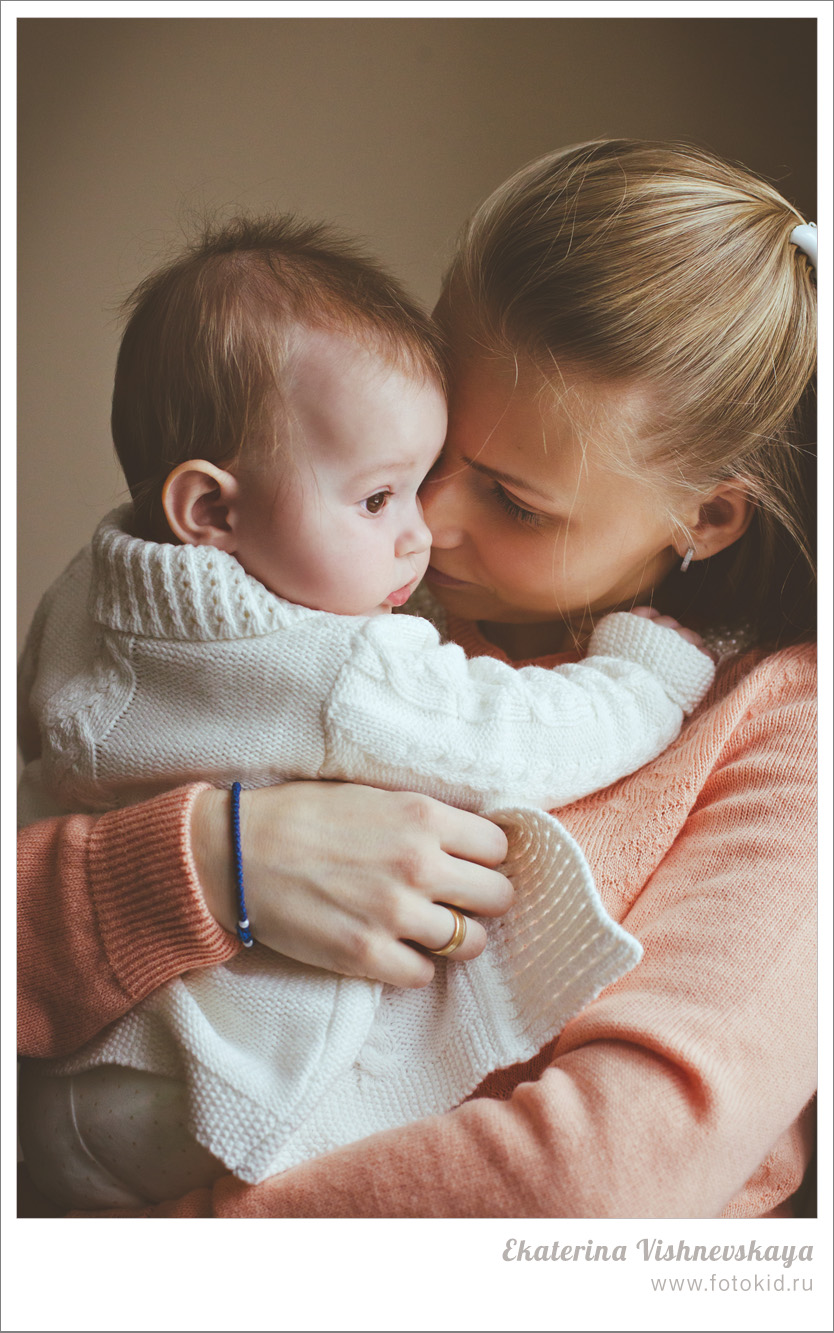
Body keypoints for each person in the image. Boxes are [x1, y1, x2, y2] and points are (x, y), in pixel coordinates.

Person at [17, 139, 817, 1219]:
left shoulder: (786, 732)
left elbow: (596, 1182)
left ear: (706, 519)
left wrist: (141, 1260)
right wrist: (217, 863)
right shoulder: (312, 580)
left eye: (514, 500)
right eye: (434, 445)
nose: (427, 524)